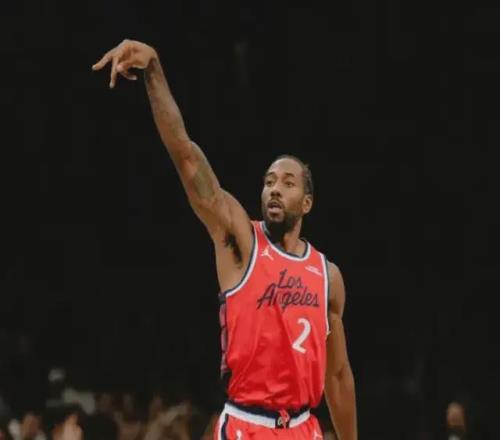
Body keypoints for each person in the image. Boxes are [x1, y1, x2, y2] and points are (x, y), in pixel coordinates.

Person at [92, 39, 358, 440]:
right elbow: (186, 155)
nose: (274, 188)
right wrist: (154, 72)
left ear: (306, 203)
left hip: (304, 427)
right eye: (269, 181)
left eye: (287, 183)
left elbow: (337, 376)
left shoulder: (327, 276)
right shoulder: (240, 240)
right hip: (246, 424)